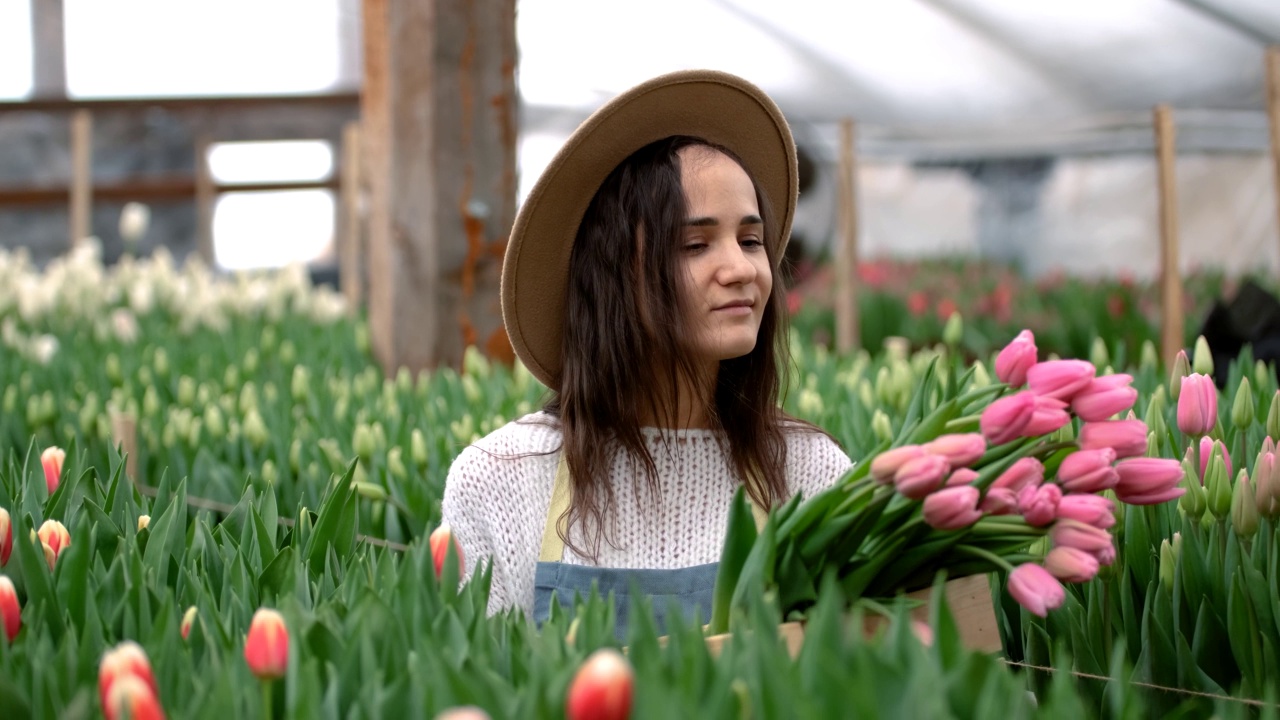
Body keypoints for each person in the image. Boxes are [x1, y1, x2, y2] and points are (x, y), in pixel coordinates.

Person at [441, 70, 853, 635]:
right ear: (615, 276)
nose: (740, 269)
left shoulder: (809, 473)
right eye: (695, 244)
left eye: (751, 239)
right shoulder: (503, 480)